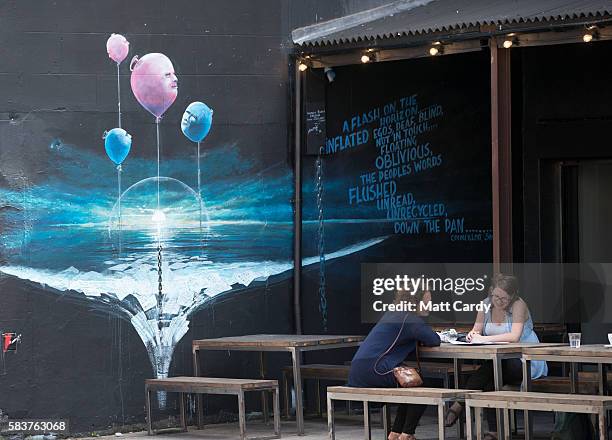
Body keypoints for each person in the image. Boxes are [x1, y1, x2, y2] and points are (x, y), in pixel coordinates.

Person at [444, 273, 548, 440]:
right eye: (496, 296)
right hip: (498, 361)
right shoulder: (485, 305)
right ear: (491, 292)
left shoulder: (518, 305)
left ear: (513, 296)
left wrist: (484, 339)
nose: (499, 301)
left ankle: (459, 403)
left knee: (489, 369)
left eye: (504, 298)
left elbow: (514, 336)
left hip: (524, 360)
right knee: (490, 381)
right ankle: (495, 431)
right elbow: (476, 329)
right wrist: (472, 335)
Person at [348, 289, 441, 440]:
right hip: (376, 370)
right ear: (415, 302)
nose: (430, 305)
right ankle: (406, 435)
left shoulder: (392, 314)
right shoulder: (410, 319)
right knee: (421, 385)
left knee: (411, 384)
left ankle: (396, 433)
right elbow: (434, 339)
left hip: (358, 370)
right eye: (427, 301)